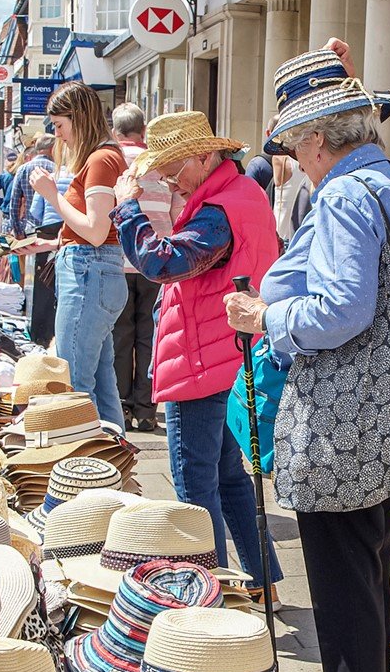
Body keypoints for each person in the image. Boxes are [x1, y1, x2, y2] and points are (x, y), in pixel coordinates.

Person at [225, 50, 390, 672]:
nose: (294, 164)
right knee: (368, 568)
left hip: (342, 407)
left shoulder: (343, 195)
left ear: (315, 142)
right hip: (387, 404)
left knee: (343, 577)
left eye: (292, 148)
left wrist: (264, 313)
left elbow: (343, 307)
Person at [115, 111, 282, 589]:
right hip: (227, 353)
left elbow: (159, 262)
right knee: (229, 476)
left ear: (205, 156)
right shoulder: (239, 193)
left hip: (203, 360)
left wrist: (129, 209)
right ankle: (258, 579)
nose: (168, 176)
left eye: (173, 166)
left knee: (194, 483)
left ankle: (210, 590)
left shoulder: (219, 209)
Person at [30, 83, 131, 427]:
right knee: (101, 385)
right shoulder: (104, 156)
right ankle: (113, 468)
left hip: (89, 273)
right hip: (96, 271)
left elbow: (95, 230)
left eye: (59, 125)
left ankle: (85, 473)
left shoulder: (101, 158)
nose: (58, 135)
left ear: (78, 118)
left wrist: (51, 196)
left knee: (75, 385)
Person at [110, 104, 162, 432]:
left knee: (119, 337)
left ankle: (121, 407)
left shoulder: (110, 160)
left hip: (119, 258)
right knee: (148, 336)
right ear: (143, 131)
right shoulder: (157, 161)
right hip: (156, 259)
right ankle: (146, 410)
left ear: (116, 132)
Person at [9, 136, 65, 345]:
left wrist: (17, 230)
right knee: (52, 285)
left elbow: (15, 202)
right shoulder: (56, 170)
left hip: (33, 229)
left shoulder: (25, 169)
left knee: (33, 284)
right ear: (52, 149)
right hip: (56, 228)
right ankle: (48, 332)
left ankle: (36, 331)